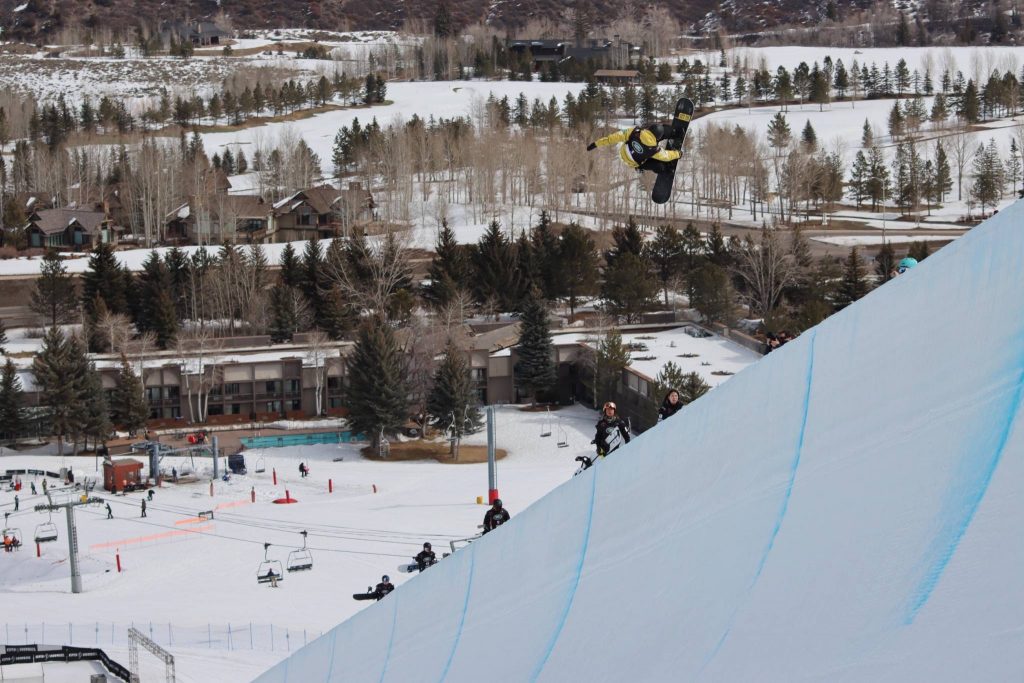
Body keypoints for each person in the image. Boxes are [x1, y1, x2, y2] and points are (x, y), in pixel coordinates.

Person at [587, 123, 683, 176]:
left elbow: (612, 138)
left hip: (623, 152)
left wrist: (596, 144)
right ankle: (644, 167)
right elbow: (665, 156)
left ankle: (663, 168)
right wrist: (678, 154)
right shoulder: (653, 150)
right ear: (658, 138)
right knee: (659, 166)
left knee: (658, 165)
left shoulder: (634, 132)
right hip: (633, 162)